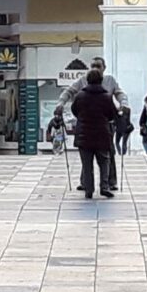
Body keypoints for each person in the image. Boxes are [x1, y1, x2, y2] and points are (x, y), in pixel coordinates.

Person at [57, 57, 126, 191]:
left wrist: (124, 104)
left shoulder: (110, 80)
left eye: (98, 66)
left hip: (104, 124)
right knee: (87, 155)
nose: (95, 68)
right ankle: (85, 182)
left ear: (104, 68)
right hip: (88, 123)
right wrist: (61, 103)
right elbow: (69, 92)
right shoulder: (83, 80)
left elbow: (120, 94)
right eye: (93, 65)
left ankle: (110, 182)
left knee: (108, 153)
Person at [71, 69, 117, 199]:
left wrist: (83, 118)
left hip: (84, 135)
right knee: (104, 162)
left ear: (87, 80)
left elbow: (74, 110)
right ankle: (104, 187)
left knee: (87, 164)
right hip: (102, 134)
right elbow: (111, 114)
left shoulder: (80, 96)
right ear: (101, 80)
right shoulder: (107, 97)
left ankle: (89, 190)